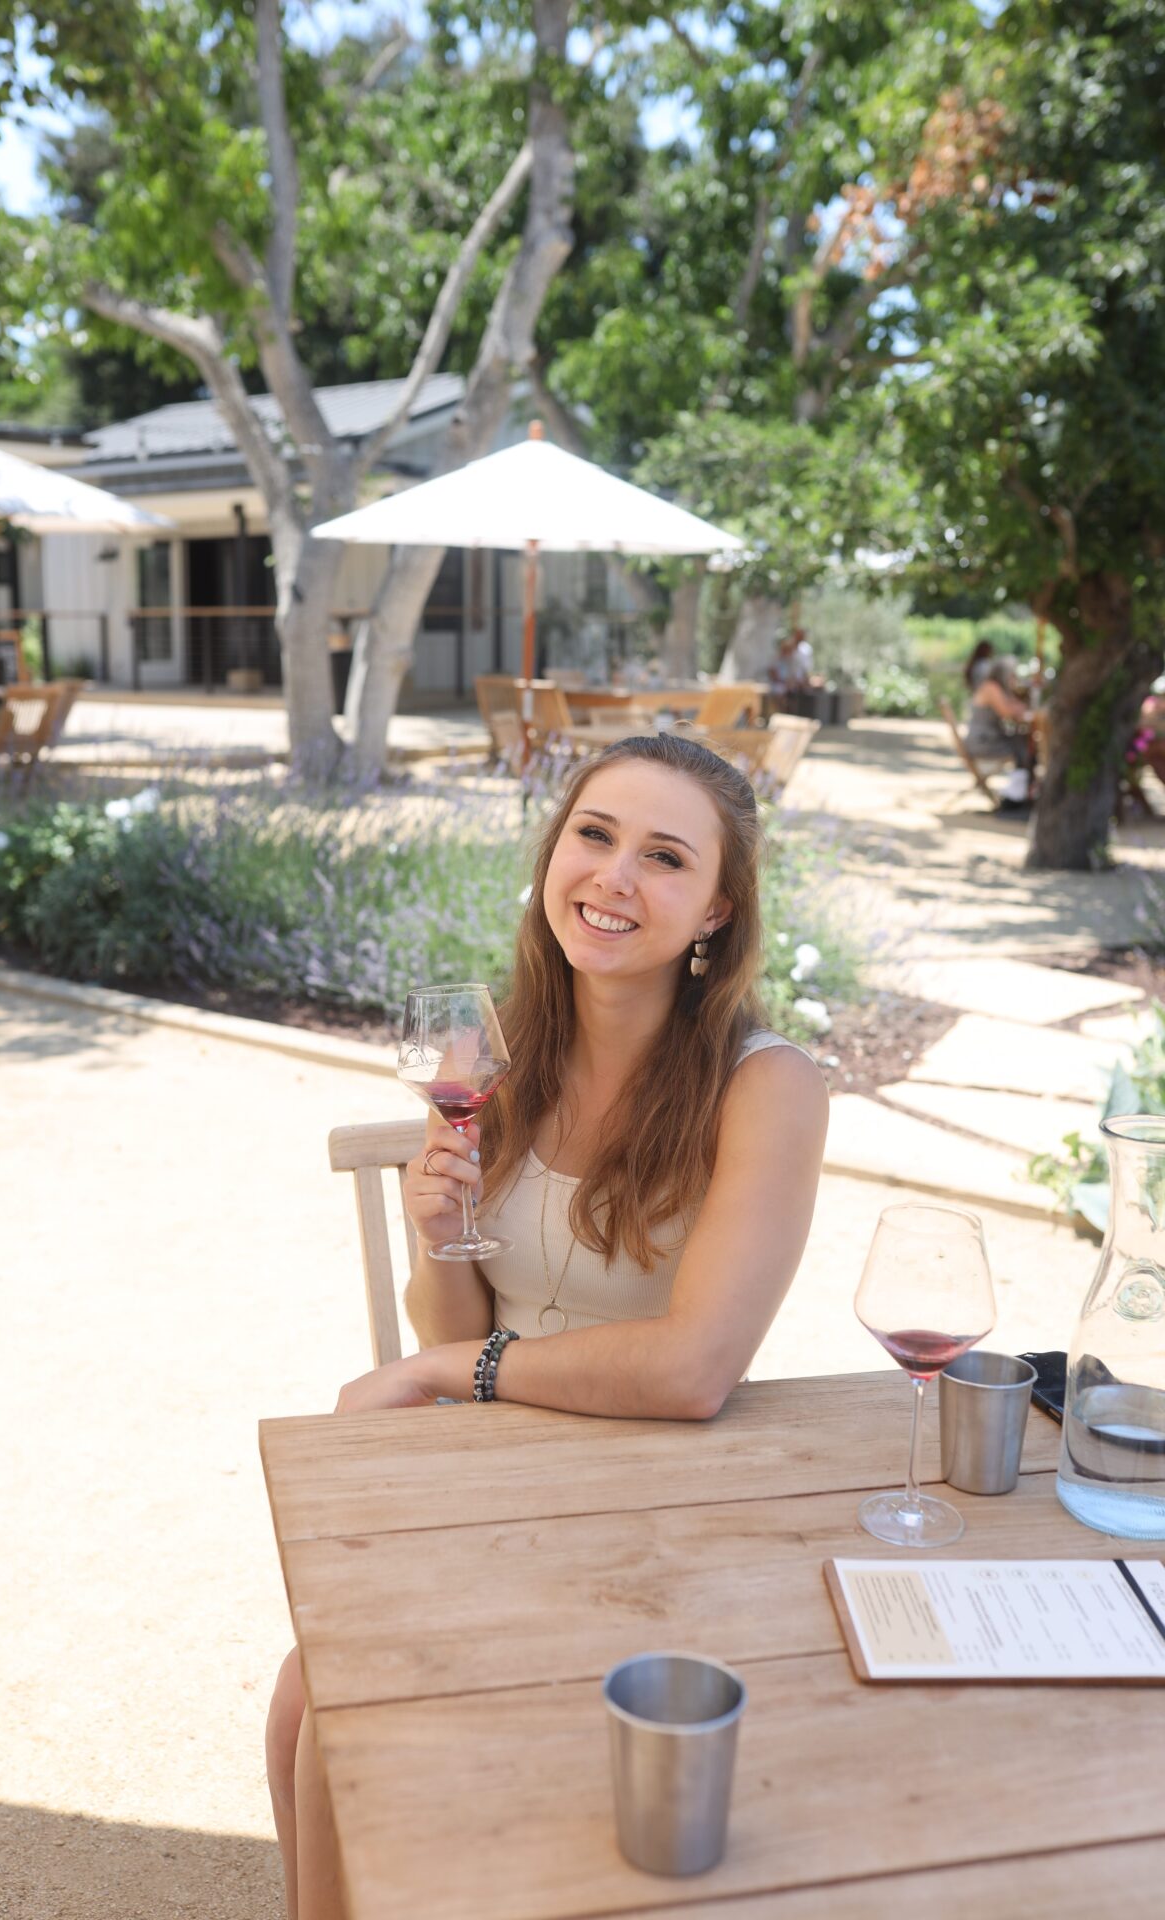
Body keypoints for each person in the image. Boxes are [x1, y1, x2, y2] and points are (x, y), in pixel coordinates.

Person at [264, 733, 828, 1920]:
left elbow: (690, 1371)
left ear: (716, 909)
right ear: (552, 853)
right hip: (495, 1445)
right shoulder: (488, 1052)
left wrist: (444, 1365)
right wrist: (440, 1233)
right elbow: (461, 1307)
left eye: (664, 856)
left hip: (654, 1480)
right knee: (299, 1704)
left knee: (337, 1730)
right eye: (594, 834)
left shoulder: (765, 1086)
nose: (614, 877)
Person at [965, 657, 1040, 804]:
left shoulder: (996, 688)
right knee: (1022, 746)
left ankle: (1021, 791)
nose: (1014, 678)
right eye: (1012, 675)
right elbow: (1008, 712)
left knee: (1022, 742)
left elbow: (1015, 708)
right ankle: (1017, 795)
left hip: (990, 738)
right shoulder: (991, 688)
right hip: (983, 742)